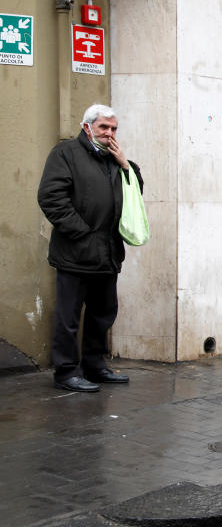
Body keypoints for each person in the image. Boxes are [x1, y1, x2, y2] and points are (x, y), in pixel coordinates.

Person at [37, 104, 143, 393]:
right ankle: (66, 372)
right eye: (103, 128)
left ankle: (95, 366)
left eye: (113, 129)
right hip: (75, 253)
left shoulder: (116, 159)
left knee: (103, 313)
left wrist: (125, 165)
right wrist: (82, 234)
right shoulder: (66, 154)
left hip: (108, 253)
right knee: (69, 317)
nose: (109, 134)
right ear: (87, 127)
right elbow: (51, 198)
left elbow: (135, 197)